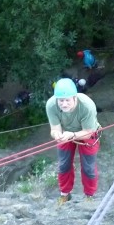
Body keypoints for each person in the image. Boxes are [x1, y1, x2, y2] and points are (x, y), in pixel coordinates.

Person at [45, 77, 101, 205]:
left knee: (89, 167)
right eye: (61, 100)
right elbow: (54, 128)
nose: (64, 104)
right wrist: (57, 135)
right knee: (63, 165)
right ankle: (65, 194)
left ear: (75, 97)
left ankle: (89, 196)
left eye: (67, 100)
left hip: (86, 133)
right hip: (66, 134)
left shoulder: (86, 106)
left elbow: (88, 132)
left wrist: (72, 135)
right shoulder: (51, 105)